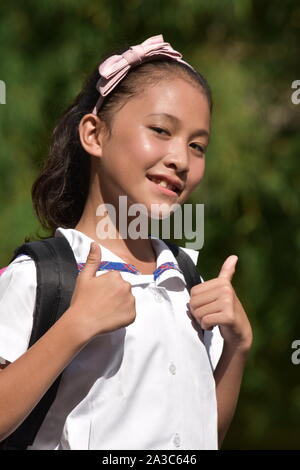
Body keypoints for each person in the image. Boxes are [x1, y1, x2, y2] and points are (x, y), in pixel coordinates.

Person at [0, 34, 253, 450]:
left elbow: (204, 435)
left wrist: (237, 348)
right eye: (160, 129)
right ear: (95, 135)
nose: (181, 159)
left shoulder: (188, 283)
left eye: (197, 146)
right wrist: (76, 326)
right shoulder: (41, 277)